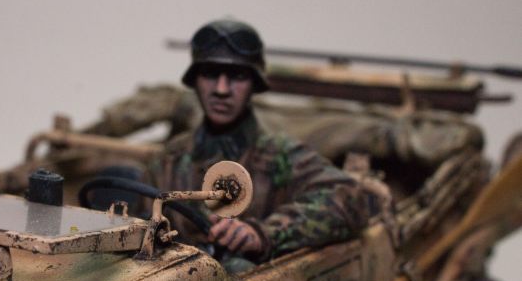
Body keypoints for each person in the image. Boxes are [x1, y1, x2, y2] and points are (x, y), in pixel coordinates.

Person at [149, 19, 368, 263]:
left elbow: (349, 199)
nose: (222, 89)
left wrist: (264, 233)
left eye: (238, 76)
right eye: (210, 73)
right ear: (196, 81)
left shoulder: (280, 155)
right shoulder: (170, 160)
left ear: (254, 84)